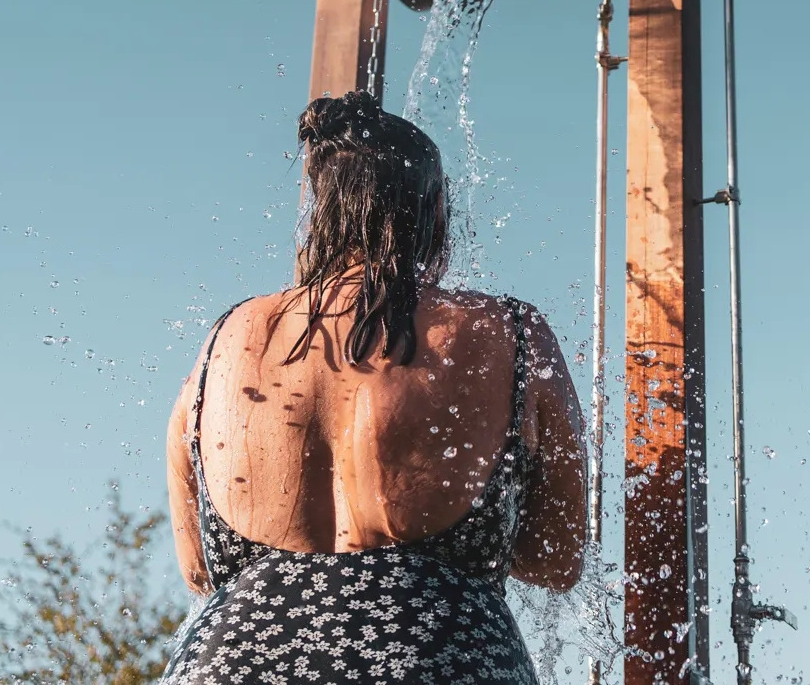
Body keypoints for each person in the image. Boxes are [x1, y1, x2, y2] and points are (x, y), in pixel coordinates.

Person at [161, 90, 588, 684]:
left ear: (320, 213)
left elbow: (199, 572)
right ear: (434, 214)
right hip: (440, 663)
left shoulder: (225, 341)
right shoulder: (506, 333)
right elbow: (556, 558)